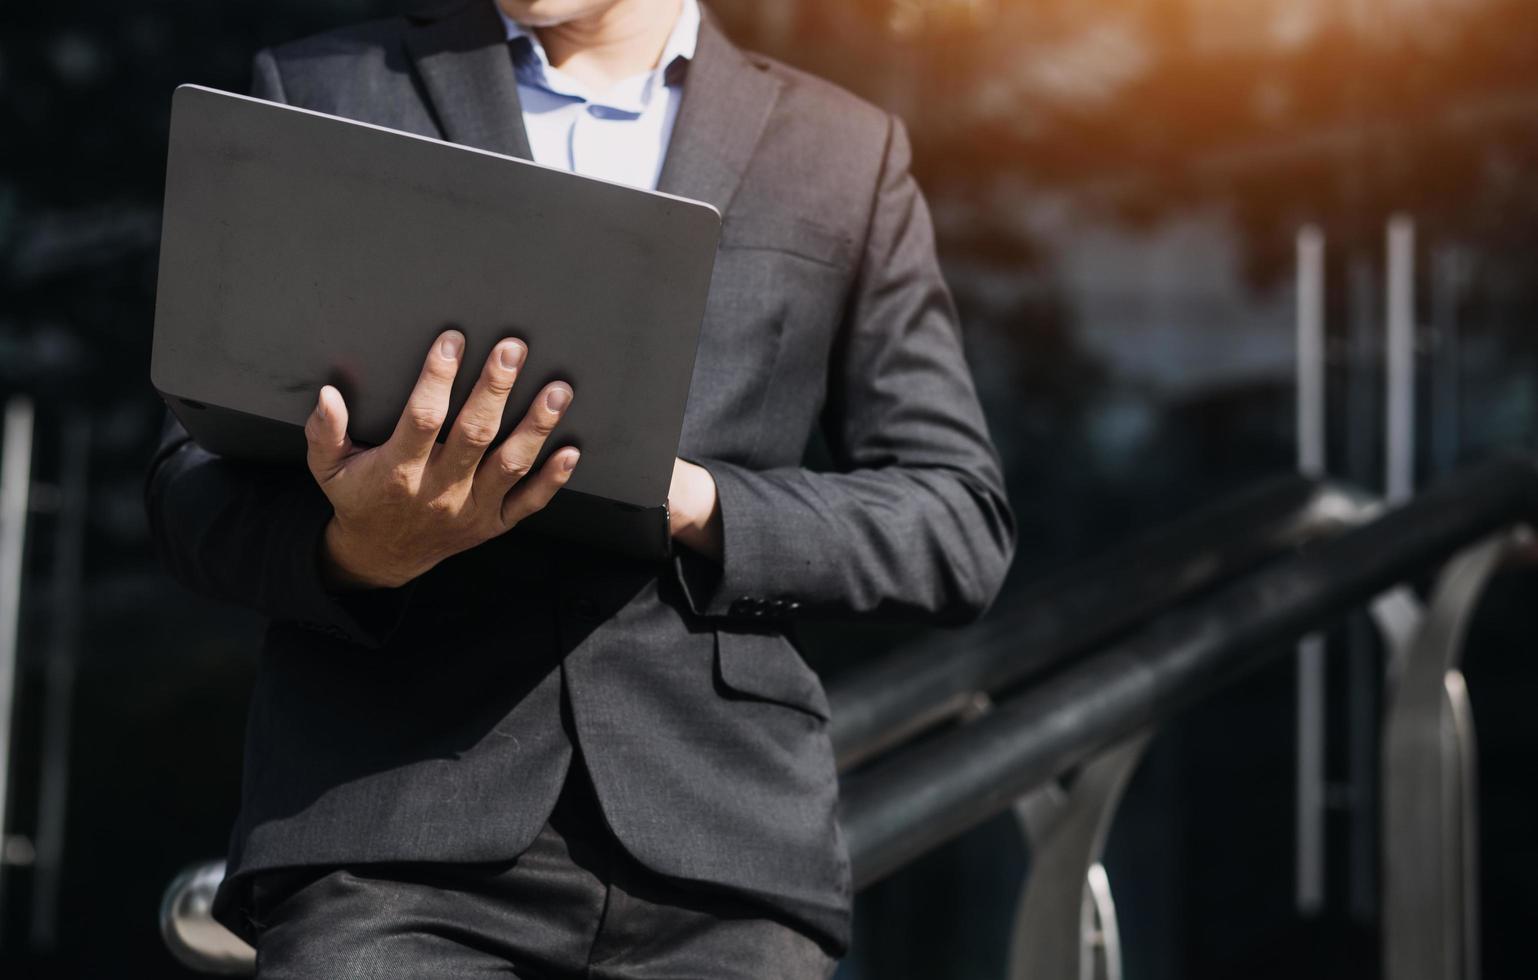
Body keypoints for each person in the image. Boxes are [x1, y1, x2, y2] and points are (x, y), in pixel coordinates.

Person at [145, 0, 1015, 976]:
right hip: (390, 841)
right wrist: (355, 549)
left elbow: (955, 522)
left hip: (720, 857)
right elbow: (190, 484)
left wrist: (700, 504)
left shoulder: (843, 150)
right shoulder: (324, 93)